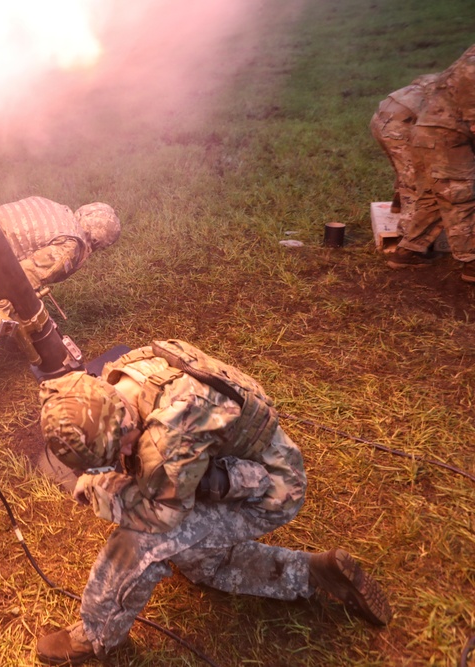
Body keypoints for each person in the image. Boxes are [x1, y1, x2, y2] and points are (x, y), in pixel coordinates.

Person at [34, 340, 392, 665]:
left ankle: (97, 636)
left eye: (124, 442)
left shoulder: (166, 437)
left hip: (271, 490)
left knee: (140, 543)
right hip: (238, 463)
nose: (125, 452)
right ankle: (312, 573)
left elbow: (161, 516)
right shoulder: (127, 372)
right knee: (199, 560)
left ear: (120, 414)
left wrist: (102, 491)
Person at [0, 196, 120, 436]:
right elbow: (19, 280)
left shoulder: (57, 210)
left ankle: (11, 336)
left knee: (12, 301)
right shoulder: (71, 247)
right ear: (98, 241)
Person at [386, 45, 475, 283]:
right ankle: (471, 262)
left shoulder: (468, 57)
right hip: (446, 136)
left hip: (427, 133)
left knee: (433, 195)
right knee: (460, 196)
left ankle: (408, 252)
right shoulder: (472, 65)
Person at [369, 73, 439, 218]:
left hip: (381, 116)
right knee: (414, 180)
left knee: (404, 168)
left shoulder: (449, 76)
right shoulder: (462, 88)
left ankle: (397, 205)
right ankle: (408, 232)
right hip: (399, 125)